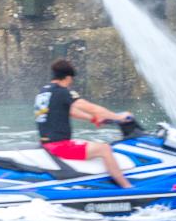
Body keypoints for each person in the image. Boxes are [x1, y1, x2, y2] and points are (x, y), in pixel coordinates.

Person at [34, 59, 133, 189]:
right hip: (59, 146)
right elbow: (90, 107)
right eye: (71, 80)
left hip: (46, 144)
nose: (71, 83)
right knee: (105, 149)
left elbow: (70, 111)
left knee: (87, 143)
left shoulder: (44, 91)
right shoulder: (62, 91)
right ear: (68, 78)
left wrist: (93, 118)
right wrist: (119, 117)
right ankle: (127, 188)